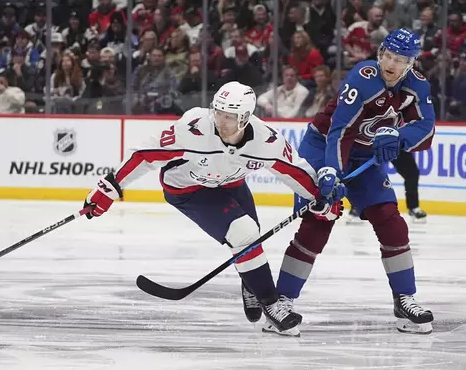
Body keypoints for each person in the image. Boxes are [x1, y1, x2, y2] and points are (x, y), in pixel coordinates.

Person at [81, 81, 344, 337]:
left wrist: (321, 198)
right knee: (244, 233)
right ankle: (272, 304)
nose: (220, 120)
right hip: (188, 190)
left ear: (245, 118)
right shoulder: (193, 128)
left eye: (229, 116)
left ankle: (251, 282)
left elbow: (294, 171)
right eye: (217, 112)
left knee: (251, 238)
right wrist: (108, 189)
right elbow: (144, 155)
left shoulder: (267, 141)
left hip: (231, 183)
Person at [270, 29, 436, 335]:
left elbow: (426, 128)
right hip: (323, 147)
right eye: (387, 55)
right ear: (380, 53)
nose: (391, 63)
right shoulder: (363, 77)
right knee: (319, 221)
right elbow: (339, 131)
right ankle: (281, 302)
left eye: (399, 60)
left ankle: (404, 299)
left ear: (410, 63)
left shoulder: (417, 86)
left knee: (391, 221)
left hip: (364, 155)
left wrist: (398, 137)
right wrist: (331, 171)